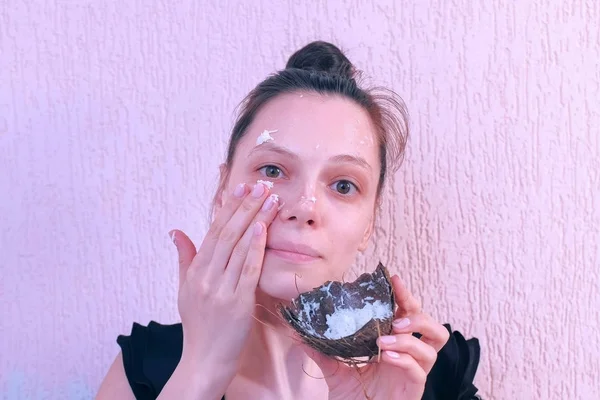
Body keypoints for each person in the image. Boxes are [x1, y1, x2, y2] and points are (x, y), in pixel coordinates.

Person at [96, 41, 481, 400]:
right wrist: (202, 368)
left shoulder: (431, 371)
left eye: (344, 185)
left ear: (368, 225)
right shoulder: (146, 369)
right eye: (273, 170)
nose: (306, 207)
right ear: (222, 191)